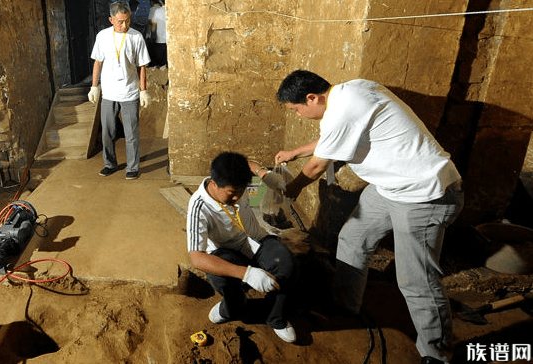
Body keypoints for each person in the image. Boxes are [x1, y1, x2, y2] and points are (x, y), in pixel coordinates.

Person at [275, 70, 464, 364]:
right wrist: (295, 151)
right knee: (353, 238)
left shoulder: (343, 110)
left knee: (416, 281)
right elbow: (332, 138)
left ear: (312, 98)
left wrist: (286, 192)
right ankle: (344, 305)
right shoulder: (351, 91)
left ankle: (437, 354)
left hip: (424, 194)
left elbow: (315, 168)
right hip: (391, 187)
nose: (298, 115)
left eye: (297, 109)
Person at [186, 152, 298, 343]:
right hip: (227, 251)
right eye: (232, 193)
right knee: (222, 278)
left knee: (285, 262)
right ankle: (229, 308)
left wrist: (264, 174)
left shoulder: (239, 186)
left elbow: (246, 163)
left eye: (241, 190)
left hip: (257, 240)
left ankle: (276, 318)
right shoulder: (199, 205)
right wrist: (247, 274)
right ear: (214, 183)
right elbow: (197, 257)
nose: (238, 196)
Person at [88, 1, 151, 180]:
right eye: (120, 22)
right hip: (108, 92)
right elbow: (97, 62)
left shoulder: (136, 37)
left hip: (130, 92)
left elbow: (141, 66)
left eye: (127, 21)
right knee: (108, 132)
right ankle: (110, 164)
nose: (125, 25)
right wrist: (94, 87)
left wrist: (143, 90)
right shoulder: (102, 36)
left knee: (131, 133)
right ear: (111, 19)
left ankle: (132, 167)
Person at [147, 0, 167, 67]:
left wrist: (152, 35)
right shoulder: (172, 11)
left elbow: (153, 25)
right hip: (169, 39)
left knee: (160, 56)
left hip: (159, 38)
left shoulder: (157, 11)